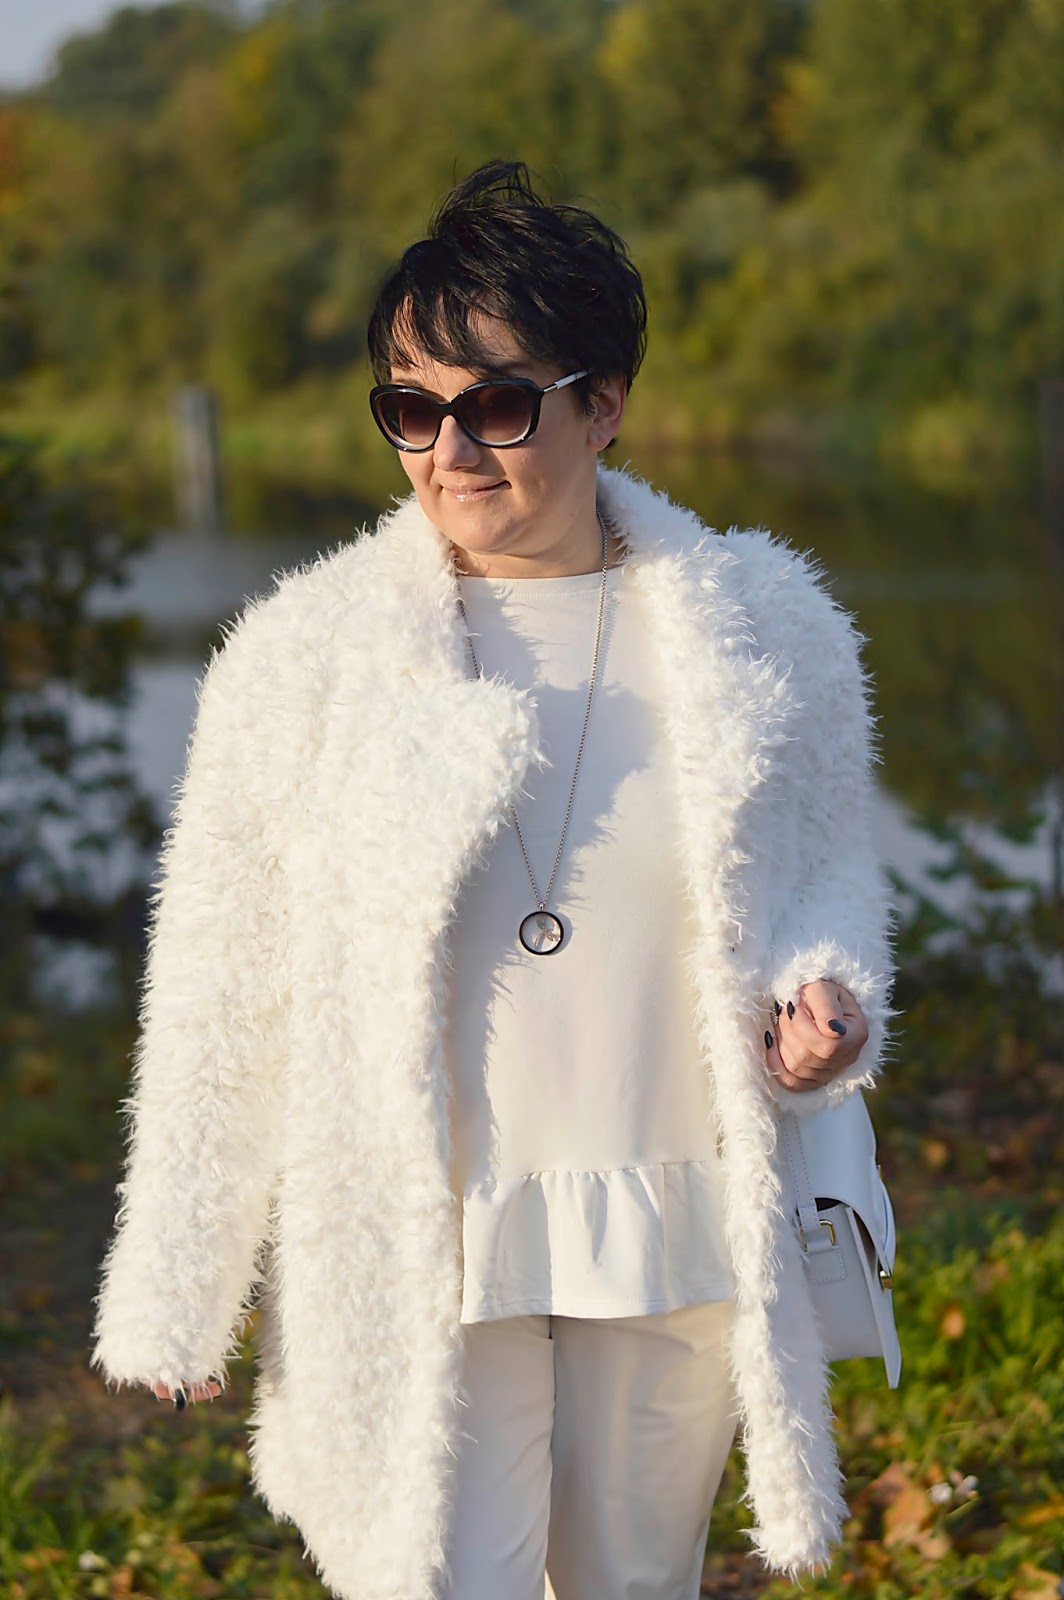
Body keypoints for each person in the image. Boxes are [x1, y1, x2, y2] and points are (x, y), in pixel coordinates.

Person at [90, 161, 895, 1600]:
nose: (451, 450)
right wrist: (181, 1278)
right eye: (413, 409)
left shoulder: (766, 626)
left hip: (674, 1213)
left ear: (604, 405)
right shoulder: (304, 659)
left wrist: (822, 1006)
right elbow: (219, 981)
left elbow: (825, 881)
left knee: (635, 1585)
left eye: (500, 404)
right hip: (418, 1230)